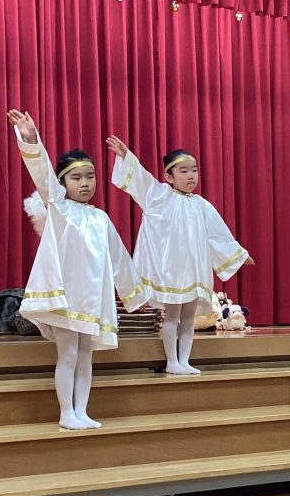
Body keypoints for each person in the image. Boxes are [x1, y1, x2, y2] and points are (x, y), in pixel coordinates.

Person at [7, 109, 147, 430]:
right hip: (65, 296)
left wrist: (135, 297)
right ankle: (66, 412)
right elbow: (42, 172)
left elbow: (119, 258)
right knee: (68, 353)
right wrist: (31, 139)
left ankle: (81, 410)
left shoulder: (100, 218)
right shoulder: (58, 206)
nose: (85, 183)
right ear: (62, 183)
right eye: (76, 177)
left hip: (91, 299)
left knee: (86, 354)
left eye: (90, 176)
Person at [107, 136, 253, 374]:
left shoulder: (202, 205)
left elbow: (218, 235)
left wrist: (239, 254)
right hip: (171, 270)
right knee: (172, 315)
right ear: (169, 177)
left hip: (194, 269)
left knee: (188, 317)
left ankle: (184, 360)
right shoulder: (158, 196)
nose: (191, 175)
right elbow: (140, 178)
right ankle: (172, 362)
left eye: (194, 170)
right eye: (183, 171)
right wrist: (126, 157)